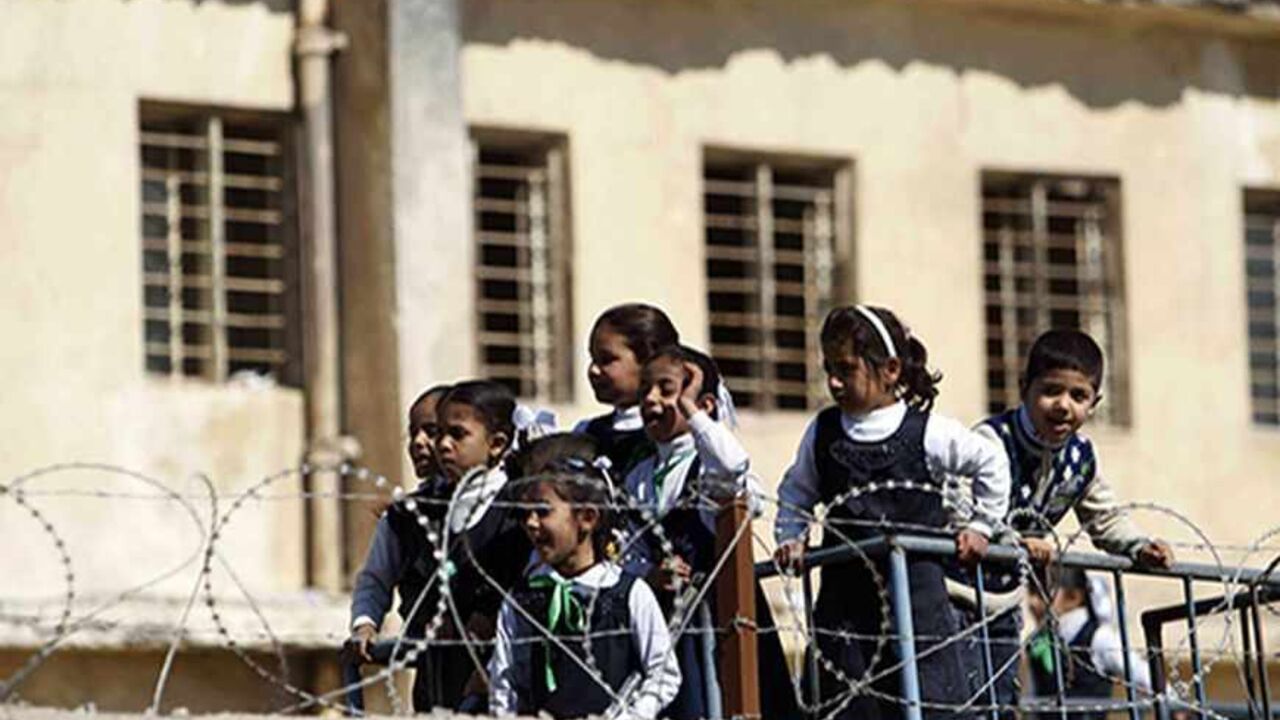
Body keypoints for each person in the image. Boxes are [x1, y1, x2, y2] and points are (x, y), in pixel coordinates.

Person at [773, 304, 1011, 720]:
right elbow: (797, 489)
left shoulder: (928, 432)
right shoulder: (824, 432)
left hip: (916, 608)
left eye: (845, 369)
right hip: (844, 611)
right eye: (828, 368)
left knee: (924, 704)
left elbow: (991, 463)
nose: (833, 381)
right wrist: (791, 536)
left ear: (891, 369)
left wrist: (981, 526)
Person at [946, 329, 1173, 716]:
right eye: (1051, 391)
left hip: (1003, 603)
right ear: (1024, 388)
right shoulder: (991, 440)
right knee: (952, 701)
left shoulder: (1080, 459)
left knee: (995, 704)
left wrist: (1139, 546)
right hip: (954, 595)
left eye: (1078, 396)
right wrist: (1010, 540)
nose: (1063, 405)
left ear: (1094, 402)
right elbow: (957, 505)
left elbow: (1105, 518)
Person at [619, 344, 800, 719]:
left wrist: (691, 411)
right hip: (667, 626)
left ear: (704, 405)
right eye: (644, 392)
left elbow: (734, 468)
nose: (651, 400)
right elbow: (628, 552)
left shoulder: (706, 465)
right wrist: (650, 577)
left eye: (667, 390)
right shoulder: (638, 478)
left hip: (720, 620)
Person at [489, 433, 681, 719]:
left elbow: (663, 673)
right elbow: (505, 678)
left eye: (543, 512)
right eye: (525, 514)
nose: (530, 523)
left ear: (587, 518)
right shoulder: (523, 598)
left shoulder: (628, 593)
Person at [347, 384, 460, 712]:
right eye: (413, 433)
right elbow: (375, 578)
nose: (419, 443)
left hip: (487, 665)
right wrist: (365, 624)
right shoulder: (405, 516)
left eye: (431, 431)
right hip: (430, 667)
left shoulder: (497, 507)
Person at [1026, 567, 1151, 719]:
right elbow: (1033, 698)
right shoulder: (1037, 642)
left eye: (1041, 594)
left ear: (1073, 597)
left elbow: (1140, 672)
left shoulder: (1097, 637)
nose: (1031, 601)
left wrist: (1173, 704)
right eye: (1030, 592)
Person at [575, 303, 681, 476]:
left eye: (607, 360)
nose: (593, 370)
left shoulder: (672, 437)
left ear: (649, 362)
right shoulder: (587, 432)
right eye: (593, 358)